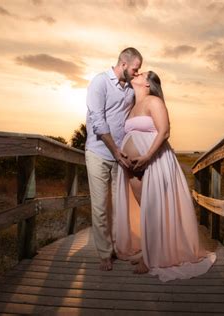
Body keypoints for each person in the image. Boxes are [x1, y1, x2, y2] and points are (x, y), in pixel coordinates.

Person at [114, 71, 216, 282]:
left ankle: (151, 258)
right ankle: (149, 249)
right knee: (146, 210)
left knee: (154, 207)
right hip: (134, 167)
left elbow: (165, 131)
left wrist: (147, 157)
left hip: (154, 162)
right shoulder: (132, 106)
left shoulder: (154, 101)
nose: (138, 73)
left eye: (143, 73)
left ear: (148, 84)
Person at [85, 47, 143, 271]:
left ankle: (120, 248)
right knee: (100, 206)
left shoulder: (130, 89)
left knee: (120, 207)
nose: (137, 73)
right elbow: (98, 121)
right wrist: (115, 151)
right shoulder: (99, 82)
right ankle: (104, 254)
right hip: (99, 153)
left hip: (121, 157)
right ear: (124, 65)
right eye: (135, 69)